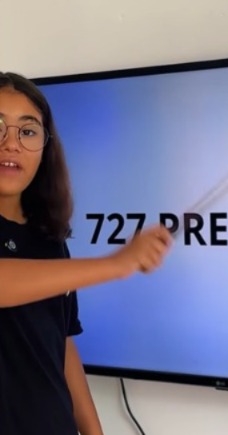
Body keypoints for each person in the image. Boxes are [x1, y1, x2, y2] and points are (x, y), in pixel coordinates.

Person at [0, 72, 172, 435]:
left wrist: (94, 431)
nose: (11, 143)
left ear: (45, 146)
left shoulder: (49, 238)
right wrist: (117, 263)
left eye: (27, 131)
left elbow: (61, 344)